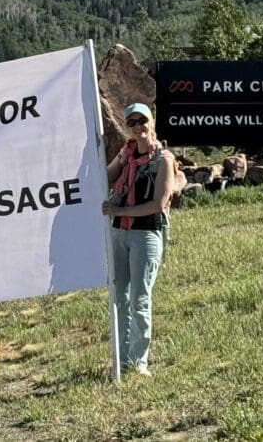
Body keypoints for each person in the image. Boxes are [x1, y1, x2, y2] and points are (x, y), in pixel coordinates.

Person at [101, 102, 175, 376]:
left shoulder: (163, 159)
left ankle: (139, 360)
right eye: (131, 123)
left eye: (141, 121)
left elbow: (158, 203)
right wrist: (120, 159)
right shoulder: (127, 156)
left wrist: (120, 210)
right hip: (119, 232)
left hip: (146, 233)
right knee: (118, 296)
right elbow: (104, 179)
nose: (137, 127)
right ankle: (121, 359)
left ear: (151, 122)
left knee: (140, 298)